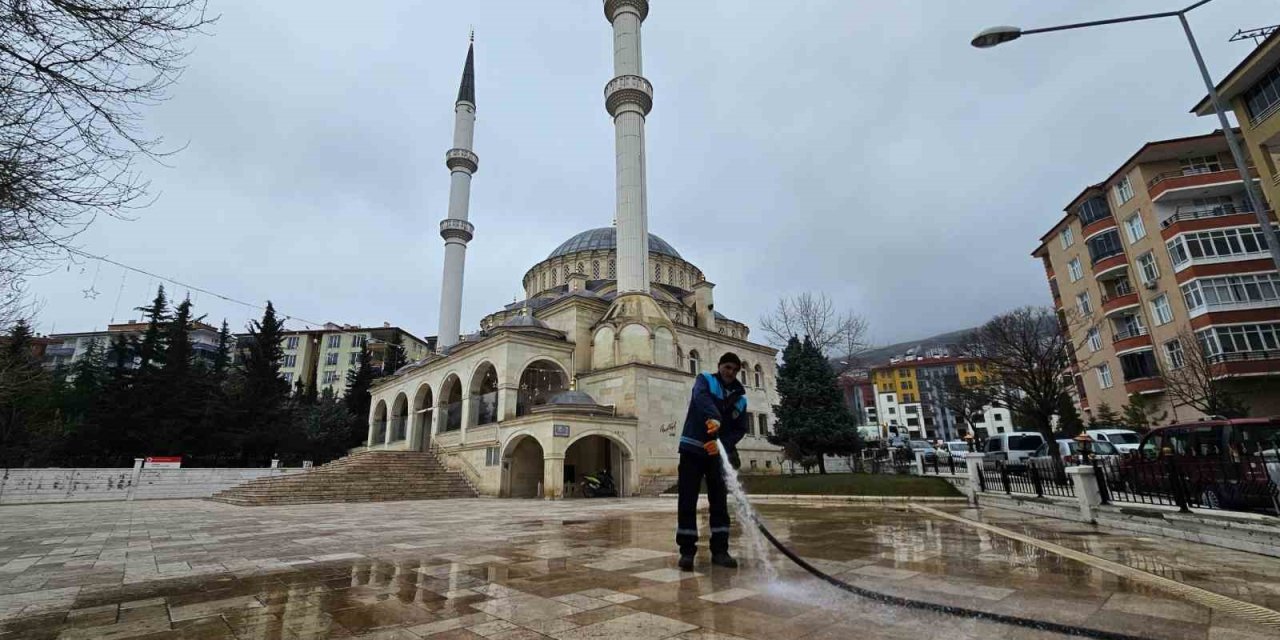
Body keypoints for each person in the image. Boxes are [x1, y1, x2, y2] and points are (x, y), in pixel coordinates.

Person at [675, 352, 747, 570]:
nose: (730, 372)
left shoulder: (740, 399)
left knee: (719, 503)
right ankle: (687, 552)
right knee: (687, 500)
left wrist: (721, 444)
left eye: (735, 370)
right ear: (719, 366)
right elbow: (701, 398)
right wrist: (714, 416)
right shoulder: (705, 380)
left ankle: (720, 551)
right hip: (692, 450)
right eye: (727, 367)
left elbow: (740, 429)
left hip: (717, 455)